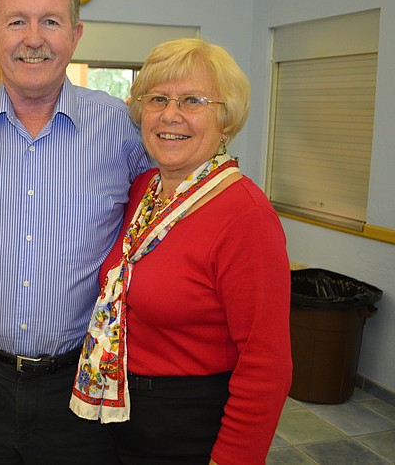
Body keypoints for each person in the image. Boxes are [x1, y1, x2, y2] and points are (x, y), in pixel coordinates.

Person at [0, 0, 150, 463]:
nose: (33, 38)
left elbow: (174, 206)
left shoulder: (122, 129)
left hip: (82, 387)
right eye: (17, 21)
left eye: (50, 21)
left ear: (76, 34)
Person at [70, 38, 292, 465]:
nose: (170, 115)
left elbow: (267, 365)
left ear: (225, 121)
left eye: (192, 100)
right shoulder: (144, 192)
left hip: (189, 425)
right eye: (158, 99)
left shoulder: (245, 217)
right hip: (120, 410)